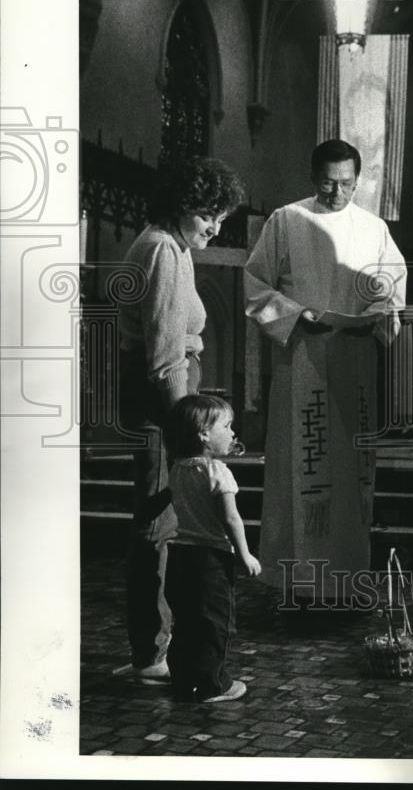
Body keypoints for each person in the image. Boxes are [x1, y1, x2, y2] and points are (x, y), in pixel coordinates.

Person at [244, 139, 407, 603]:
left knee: (352, 470)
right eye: (329, 183)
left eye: (348, 184)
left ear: (359, 181)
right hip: (302, 357)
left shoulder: (373, 227)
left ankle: (347, 577)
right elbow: (256, 283)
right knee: (301, 462)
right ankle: (296, 580)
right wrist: (295, 315)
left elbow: (392, 287)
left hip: (354, 358)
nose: (338, 193)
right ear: (313, 177)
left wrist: (379, 305)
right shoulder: (287, 220)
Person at [115, 156, 246, 682]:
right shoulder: (165, 250)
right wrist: (186, 433)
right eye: (208, 214)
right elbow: (166, 356)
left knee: (158, 519)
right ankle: (152, 651)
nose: (215, 227)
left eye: (222, 216)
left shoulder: (170, 244)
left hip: (163, 397)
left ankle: (151, 647)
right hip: (162, 401)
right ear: (181, 204)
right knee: (159, 525)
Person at [164, 395, 261, 702]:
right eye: (227, 425)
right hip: (211, 558)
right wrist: (244, 554)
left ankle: (182, 678)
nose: (233, 433)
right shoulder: (217, 471)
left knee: (186, 621)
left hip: (181, 555)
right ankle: (213, 685)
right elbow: (231, 518)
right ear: (203, 434)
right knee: (214, 623)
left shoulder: (179, 468)